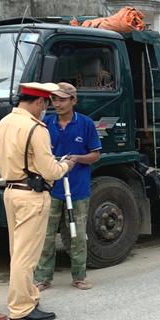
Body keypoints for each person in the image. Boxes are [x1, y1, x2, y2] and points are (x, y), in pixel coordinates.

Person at [0, 83, 73, 320]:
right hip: (31, 196)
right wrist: (66, 164)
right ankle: (21, 308)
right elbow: (50, 170)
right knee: (26, 256)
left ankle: (28, 296)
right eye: (45, 105)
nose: (45, 110)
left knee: (17, 251)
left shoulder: (3, 124)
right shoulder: (35, 128)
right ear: (39, 102)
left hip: (11, 191)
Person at [35, 83, 102, 292]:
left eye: (62, 100)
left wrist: (77, 158)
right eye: (54, 100)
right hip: (51, 188)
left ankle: (79, 276)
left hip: (78, 188)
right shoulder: (45, 124)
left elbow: (95, 154)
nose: (57, 104)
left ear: (74, 100)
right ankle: (43, 278)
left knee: (77, 235)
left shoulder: (85, 123)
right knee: (46, 235)